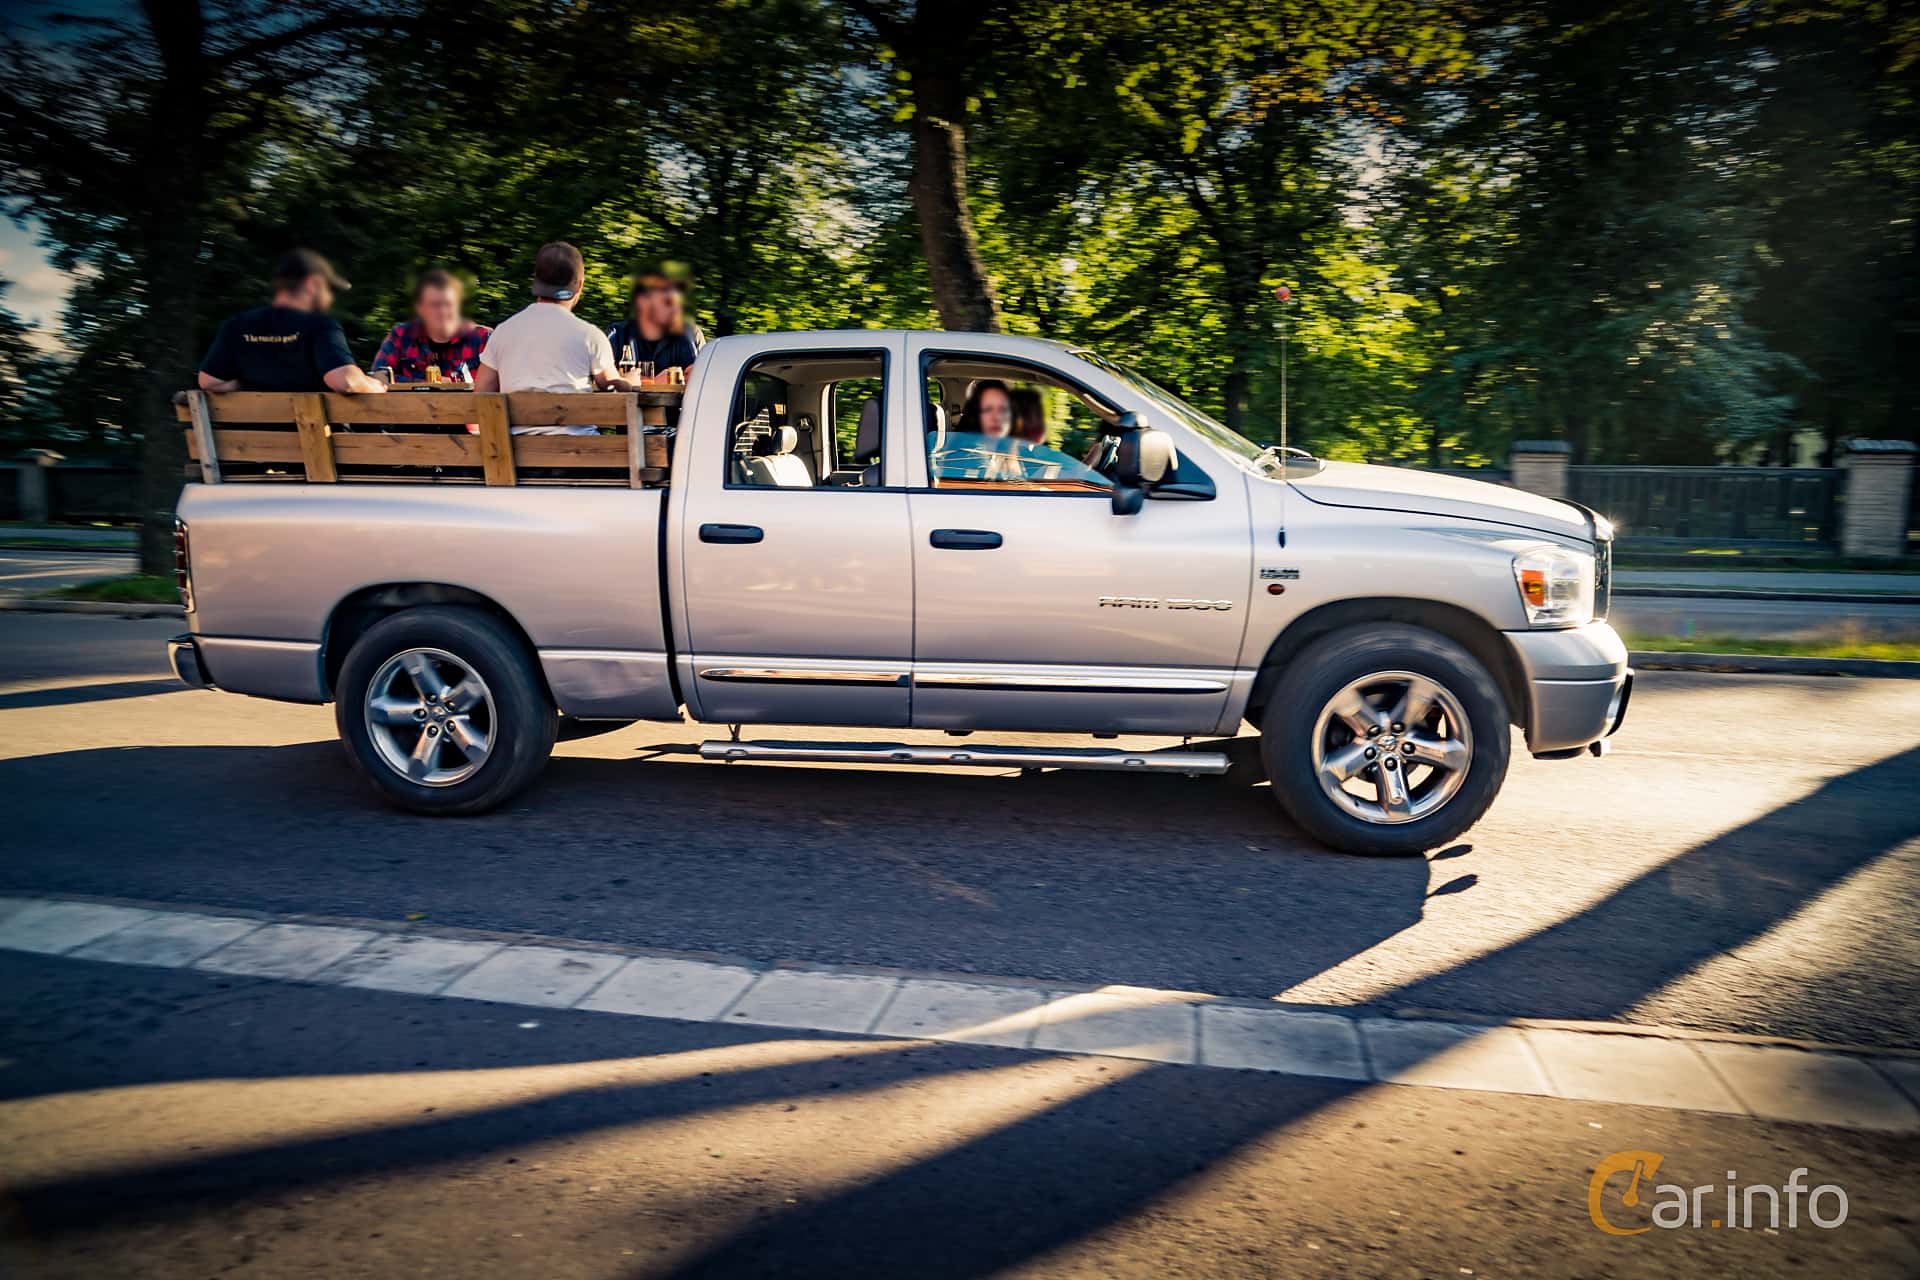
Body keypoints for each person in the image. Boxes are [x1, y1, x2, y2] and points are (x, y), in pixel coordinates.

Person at [475, 241, 639, 435]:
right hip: (581, 458)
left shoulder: (503, 332)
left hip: (516, 459)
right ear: (579, 285)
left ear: (536, 281)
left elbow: (482, 392)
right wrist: (628, 381)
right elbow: (613, 388)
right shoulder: (589, 335)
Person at [197, 249, 386, 395]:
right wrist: (377, 384)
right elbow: (345, 382)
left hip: (243, 445)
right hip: (314, 444)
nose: (329, 298)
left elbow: (208, 382)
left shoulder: (236, 325)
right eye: (328, 290)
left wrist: (246, 385)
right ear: (312, 284)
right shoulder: (319, 325)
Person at [371, 269, 491, 384]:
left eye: (448, 304)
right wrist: (431, 384)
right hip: (412, 405)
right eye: (435, 305)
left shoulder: (483, 339)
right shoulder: (401, 335)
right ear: (420, 309)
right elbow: (379, 377)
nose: (443, 311)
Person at [605, 270, 704, 376]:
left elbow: (703, 379)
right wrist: (652, 383)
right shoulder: (616, 335)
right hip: (628, 393)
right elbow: (599, 375)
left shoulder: (690, 335)